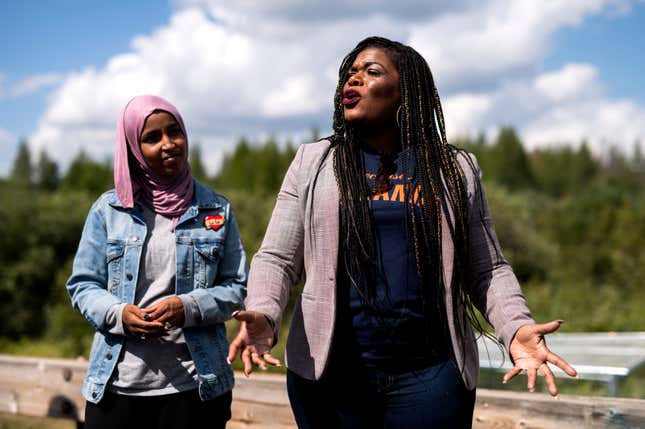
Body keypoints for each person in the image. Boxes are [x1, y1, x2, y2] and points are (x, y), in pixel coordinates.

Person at [227, 37, 578, 428]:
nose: (352, 80)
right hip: (333, 376)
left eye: (371, 72)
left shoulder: (453, 168)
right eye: (349, 73)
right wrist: (263, 312)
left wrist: (515, 327)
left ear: (406, 93)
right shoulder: (314, 163)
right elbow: (277, 257)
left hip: (431, 376)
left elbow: (488, 267)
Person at [66, 95, 247, 429]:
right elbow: (83, 284)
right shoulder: (108, 212)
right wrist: (117, 314)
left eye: (174, 132)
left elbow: (236, 288)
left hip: (197, 389)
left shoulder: (217, 210)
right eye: (152, 138)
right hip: (118, 388)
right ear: (133, 149)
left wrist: (189, 307)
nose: (169, 144)